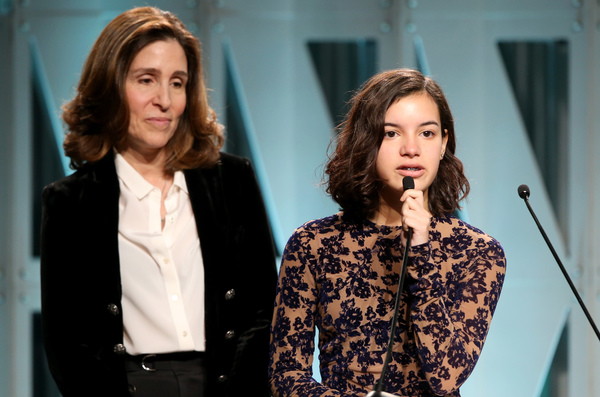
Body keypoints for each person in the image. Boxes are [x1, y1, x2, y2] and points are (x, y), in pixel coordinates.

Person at [40, 6, 277, 397]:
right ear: (111, 86)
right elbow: (67, 347)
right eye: (146, 80)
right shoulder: (70, 202)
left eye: (178, 82)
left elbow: (262, 312)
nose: (164, 100)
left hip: (224, 385)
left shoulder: (232, 180)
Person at [269, 69, 506, 397]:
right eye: (392, 134)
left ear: (443, 143)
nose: (411, 148)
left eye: (427, 133)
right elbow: (285, 377)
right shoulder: (313, 244)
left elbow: (447, 376)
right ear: (366, 141)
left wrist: (422, 250)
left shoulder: (476, 251)